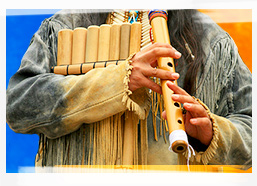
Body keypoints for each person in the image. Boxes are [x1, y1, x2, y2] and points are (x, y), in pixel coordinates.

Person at [6, 9, 252, 170]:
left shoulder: (213, 41)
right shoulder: (65, 25)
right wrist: (116, 80)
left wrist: (211, 132)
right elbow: (18, 107)